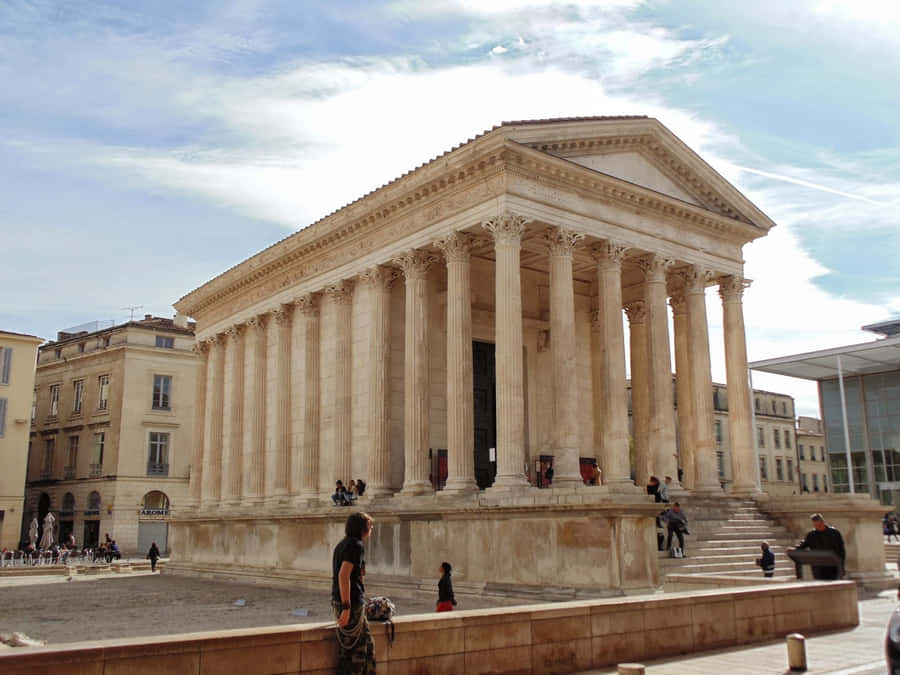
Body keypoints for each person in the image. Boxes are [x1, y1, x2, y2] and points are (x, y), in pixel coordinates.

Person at [332, 511, 375, 674]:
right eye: (369, 525)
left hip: (350, 601)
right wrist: (346, 608)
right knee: (355, 654)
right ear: (361, 528)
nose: (371, 528)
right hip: (350, 603)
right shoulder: (356, 545)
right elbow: (343, 575)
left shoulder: (342, 544)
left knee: (368, 647)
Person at [793, 513, 846, 580]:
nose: (818, 527)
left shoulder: (834, 533)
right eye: (816, 525)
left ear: (823, 522)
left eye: (819, 525)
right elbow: (803, 545)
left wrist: (842, 567)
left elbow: (841, 551)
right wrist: (794, 549)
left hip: (833, 567)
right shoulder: (811, 535)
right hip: (818, 568)